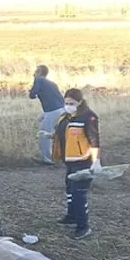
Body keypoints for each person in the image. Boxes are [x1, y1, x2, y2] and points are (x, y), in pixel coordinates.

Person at [51, 88, 101, 240]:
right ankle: (72, 216)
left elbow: (94, 140)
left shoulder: (88, 117)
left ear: (80, 102)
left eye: (71, 103)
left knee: (79, 194)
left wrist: (96, 161)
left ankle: (83, 226)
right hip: (70, 161)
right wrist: (49, 136)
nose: (68, 105)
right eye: (66, 103)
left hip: (83, 161)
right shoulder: (67, 116)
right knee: (70, 190)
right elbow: (65, 135)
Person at [29, 65, 65, 165]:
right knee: (56, 133)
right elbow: (60, 98)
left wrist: (34, 81)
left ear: (39, 72)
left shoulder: (39, 79)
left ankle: (48, 159)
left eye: (36, 71)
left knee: (43, 134)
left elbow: (32, 94)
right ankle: (60, 155)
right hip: (60, 109)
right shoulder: (52, 83)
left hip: (51, 111)